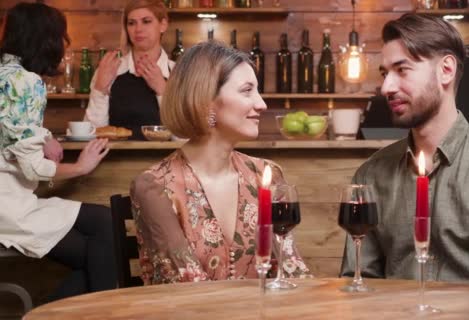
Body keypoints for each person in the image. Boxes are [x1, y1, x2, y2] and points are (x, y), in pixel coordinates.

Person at [340, 14, 469, 291]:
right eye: (384, 74)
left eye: (402, 70)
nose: (387, 87)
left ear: (446, 70)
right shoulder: (372, 174)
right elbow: (358, 284)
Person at [130, 41, 310, 284]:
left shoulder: (266, 174)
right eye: (247, 90)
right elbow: (186, 288)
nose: (262, 104)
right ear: (207, 101)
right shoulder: (155, 186)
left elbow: (293, 271)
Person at [0, 2, 116, 300]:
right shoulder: (27, 83)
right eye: (62, 36)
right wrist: (81, 167)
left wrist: (45, 135)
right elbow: (32, 168)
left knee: (101, 236)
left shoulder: (5, 74)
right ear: (47, 39)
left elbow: (9, 129)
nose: (66, 43)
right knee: (101, 247)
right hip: (9, 207)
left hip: (11, 200)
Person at [84, 0, 174, 140]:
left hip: (166, 160)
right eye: (131, 23)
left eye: (146, 21)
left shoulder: (180, 74)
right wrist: (100, 88)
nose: (138, 29)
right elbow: (91, 134)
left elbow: (186, 138)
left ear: (163, 25)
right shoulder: (110, 71)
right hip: (114, 160)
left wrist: (163, 91)